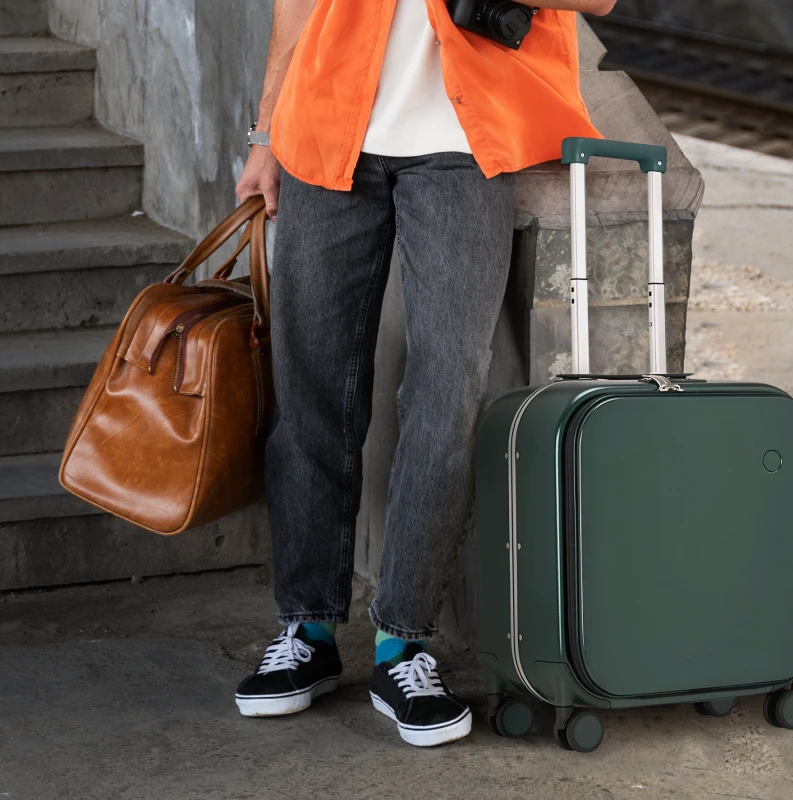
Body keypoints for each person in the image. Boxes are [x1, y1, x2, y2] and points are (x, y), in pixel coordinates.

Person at [233, 0, 614, 747]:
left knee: (449, 392)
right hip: (326, 130)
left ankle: (402, 644)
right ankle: (306, 629)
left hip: (465, 146)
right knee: (309, 389)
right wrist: (266, 134)